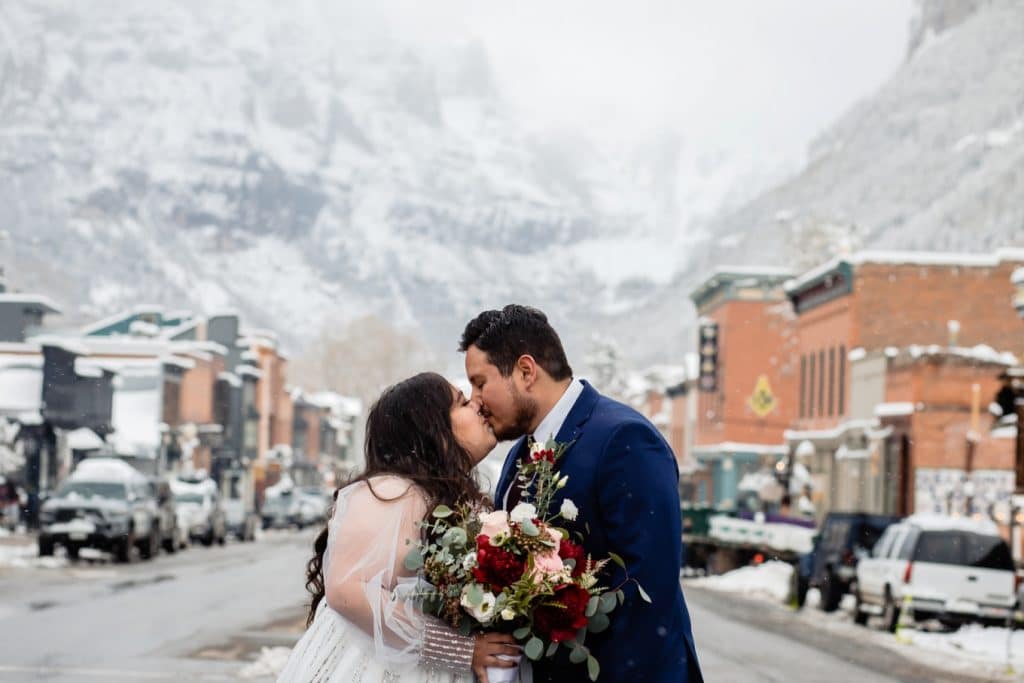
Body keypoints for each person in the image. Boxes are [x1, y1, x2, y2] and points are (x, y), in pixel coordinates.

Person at [460, 305, 703, 683]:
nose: (475, 400)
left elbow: (647, 596)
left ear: (526, 371)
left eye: (479, 383)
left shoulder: (624, 440)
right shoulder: (516, 455)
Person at [277, 372, 519, 683]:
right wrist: (459, 649)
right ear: (432, 429)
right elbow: (347, 591)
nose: (478, 405)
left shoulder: (452, 499)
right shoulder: (392, 491)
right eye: (461, 403)